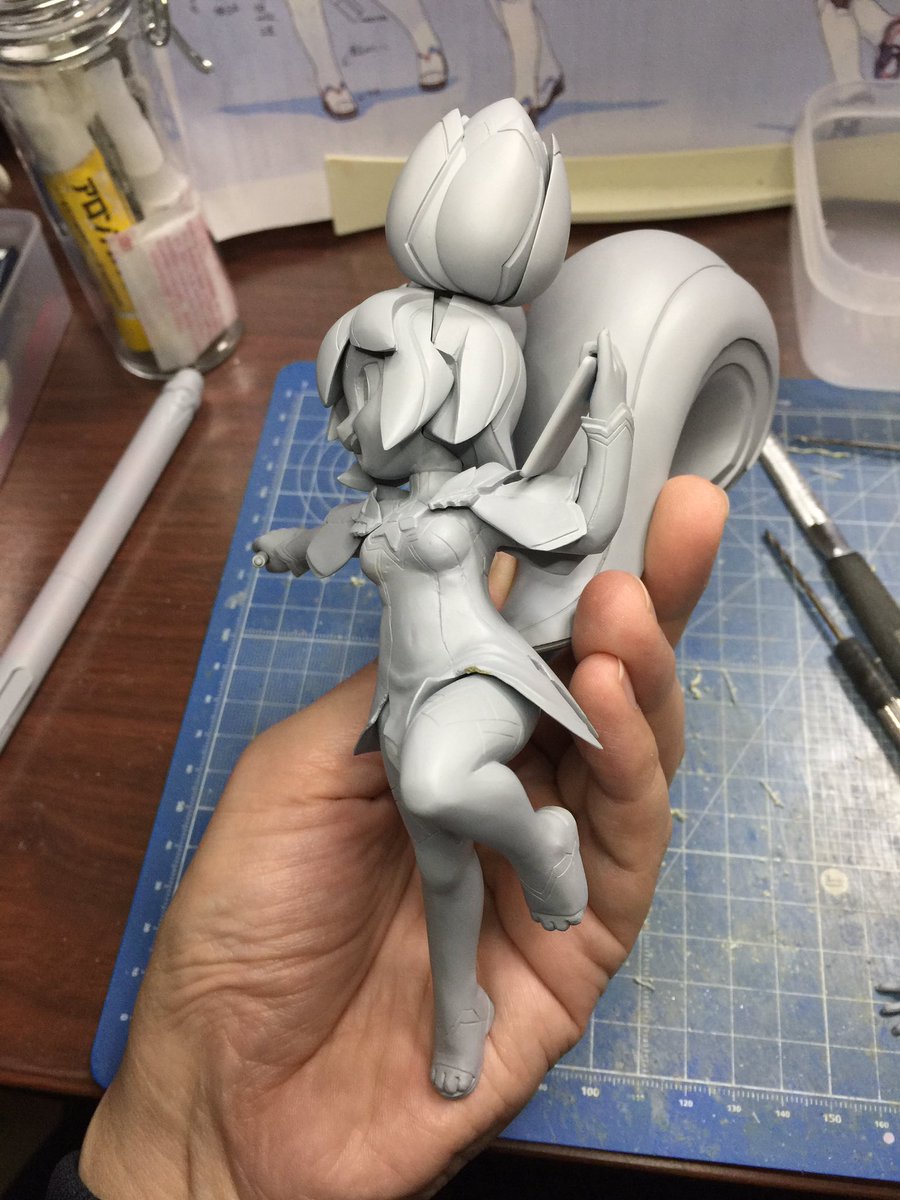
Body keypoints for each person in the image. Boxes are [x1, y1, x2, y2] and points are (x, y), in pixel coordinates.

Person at [51, 474, 729, 1200]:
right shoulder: (376, 511)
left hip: (480, 677)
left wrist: (606, 428)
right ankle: (460, 1011)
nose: (360, 420)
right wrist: (286, 549)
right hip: (402, 701)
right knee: (441, 870)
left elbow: (585, 523)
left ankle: (538, 844)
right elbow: (321, 544)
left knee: (438, 786)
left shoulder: (481, 493)